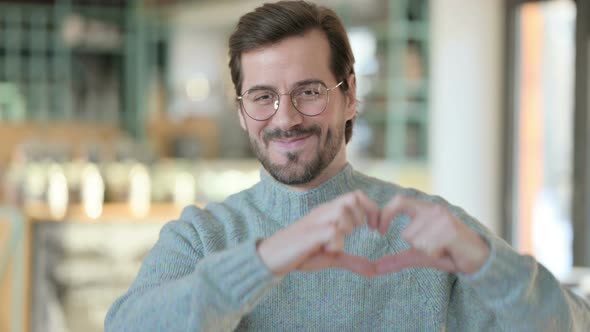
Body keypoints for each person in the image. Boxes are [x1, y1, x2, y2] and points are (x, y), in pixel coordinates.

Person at [105, 1, 590, 331]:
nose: (286, 117)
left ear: (350, 95)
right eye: (263, 97)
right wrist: (269, 255)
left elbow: (571, 323)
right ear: (241, 110)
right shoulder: (202, 238)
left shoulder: (427, 232)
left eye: (309, 92)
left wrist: (486, 261)